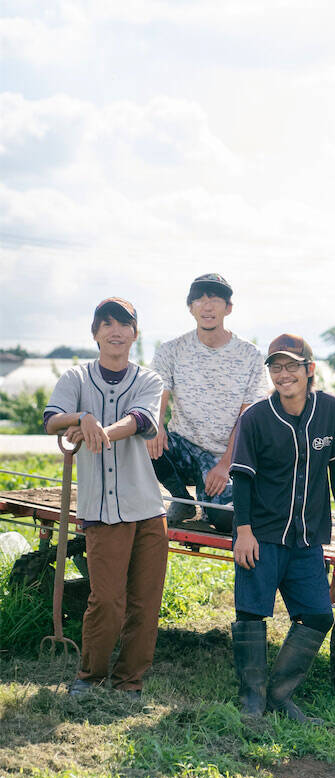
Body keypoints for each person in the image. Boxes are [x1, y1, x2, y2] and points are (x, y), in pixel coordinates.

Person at [229, 333, 335, 723]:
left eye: (291, 366)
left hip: (307, 537)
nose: (283, 374)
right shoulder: (255, 417)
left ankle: (279, 695)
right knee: (251, 613)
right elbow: (243, 479)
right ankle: (251, 700)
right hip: (262, 534)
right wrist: (243, 531)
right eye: (276, 367)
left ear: (309, 369)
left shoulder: (330, 409)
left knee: (318, 615)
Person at [44, 298, 168, 699]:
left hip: (147, 508)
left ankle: (130, 680)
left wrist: (98, 431)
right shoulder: (76, 377)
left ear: (135, 334)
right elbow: (52, 419)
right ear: (95, 333)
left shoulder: (149, 380)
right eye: (107, 324)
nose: (116, 331)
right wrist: (81, 418)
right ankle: (89, 676)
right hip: (101, 509)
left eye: (124, 325)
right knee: (107, 601)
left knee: (145, 603)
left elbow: (141, 420)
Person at [148, 273, 268, 530]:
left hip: (225, 457)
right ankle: (181, 499)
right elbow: (157, 395)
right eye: (199, 300)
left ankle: (211, 504)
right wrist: (155, 427)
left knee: (227, 520)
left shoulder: (250, 355)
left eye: (214, 299)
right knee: (139, 435)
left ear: (228, 307)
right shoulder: (171, 350)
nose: (207, 306)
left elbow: (248, 418)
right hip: (181, 449)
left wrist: (225, 465)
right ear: (191, 308)